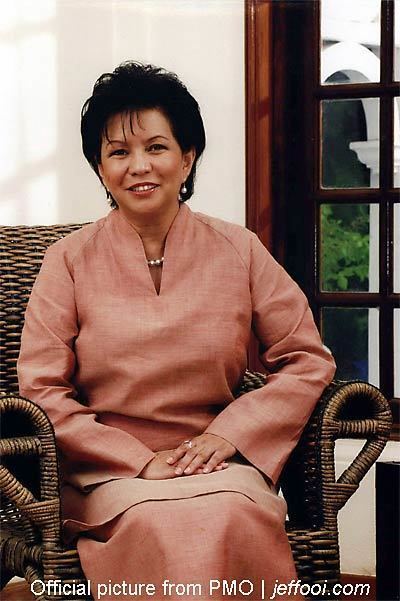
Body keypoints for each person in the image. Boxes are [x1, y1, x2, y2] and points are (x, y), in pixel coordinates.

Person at [17, 61, 336, 601]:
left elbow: (307, 359)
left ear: (188, 157)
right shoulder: (66, 261)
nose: (138, 166)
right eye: (118, 152)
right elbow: (41, 390)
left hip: (220, 463)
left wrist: (228, 436)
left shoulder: (240, 250)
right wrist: (138, 461)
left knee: (234, 512)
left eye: (157, 147)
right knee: (159, 525)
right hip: (109, 475)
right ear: (100, 167)